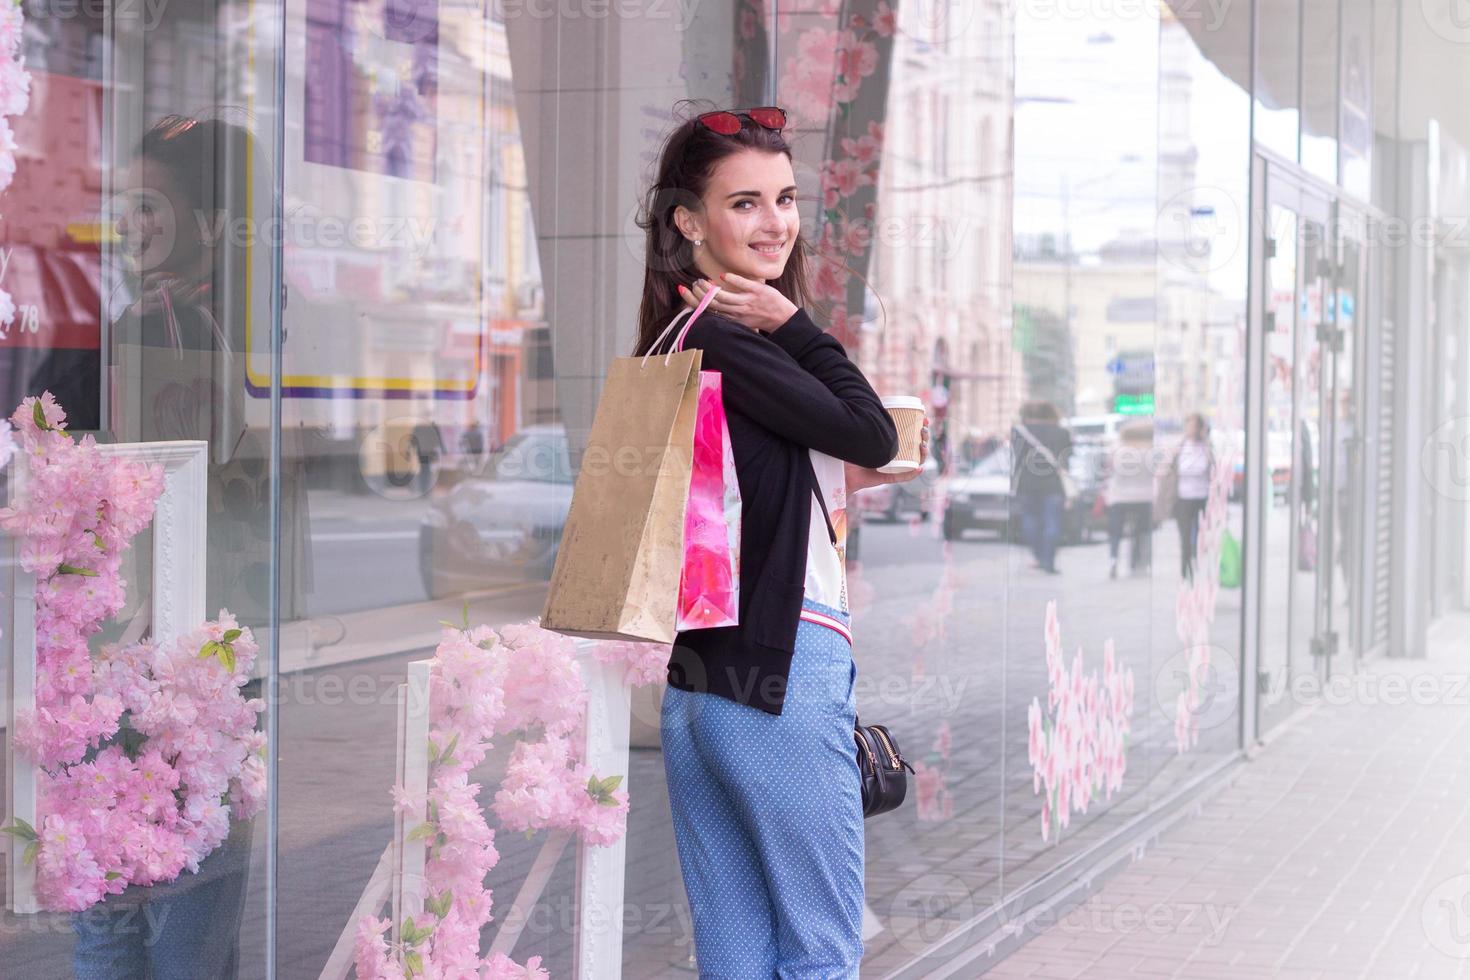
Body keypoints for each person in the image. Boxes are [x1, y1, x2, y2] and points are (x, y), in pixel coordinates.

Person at [634, 101, 929, 979]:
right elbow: (872, 433)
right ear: (689, 221)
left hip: (699, 684)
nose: (777, 224)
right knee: (819, 953)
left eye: (786, 199)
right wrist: (792, 323)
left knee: (735, 955)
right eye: (746, 203)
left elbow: (766, 478)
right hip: (781, 669)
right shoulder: (736, 339)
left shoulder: (671, 339)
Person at [1011, 400, 1072, 574]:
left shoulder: (1019, 432)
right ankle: (1048, 561)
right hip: (1053, 484)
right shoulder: (1062, 433)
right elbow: (1066, 459)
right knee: (1053, 522)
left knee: (1030, 520)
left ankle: (1038, 556)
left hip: (1027, 484)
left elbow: (1017, 459)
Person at [1104, 420, 1155, 578]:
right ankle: (1138, 562)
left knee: (1116, 532)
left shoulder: (1116, 451)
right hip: (1144, 496)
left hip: (1118, 496)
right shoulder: (1150, 452)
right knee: (1141, 531)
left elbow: (1108, 471)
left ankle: (1114, 560)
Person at [1172, 412, 1215, 581]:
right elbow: (1173, 469)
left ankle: (1200, 567)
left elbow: (1212, 467)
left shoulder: (1206, 446)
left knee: (1201, 536)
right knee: (1185, 537)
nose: (1189, 429)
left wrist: (1206, 442)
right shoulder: (1181, 446)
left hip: (1202, 497)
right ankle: (1186, 572)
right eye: (1187, 425)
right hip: (1184, 497)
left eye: (1193, 425)